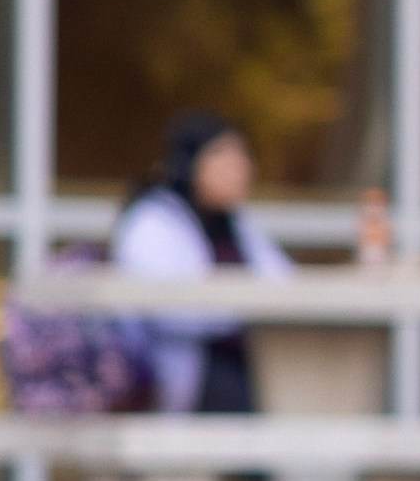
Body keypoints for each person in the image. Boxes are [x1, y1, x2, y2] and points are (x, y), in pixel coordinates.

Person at [108, 109, 292, 414]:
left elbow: (283, 281)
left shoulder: (236, 223)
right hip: (175, 384)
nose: (243, 168)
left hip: (245, 380)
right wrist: (247, 304)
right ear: (192, 162)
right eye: (228, 157)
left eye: (244, 157)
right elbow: (171, 308)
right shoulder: (151, 222)